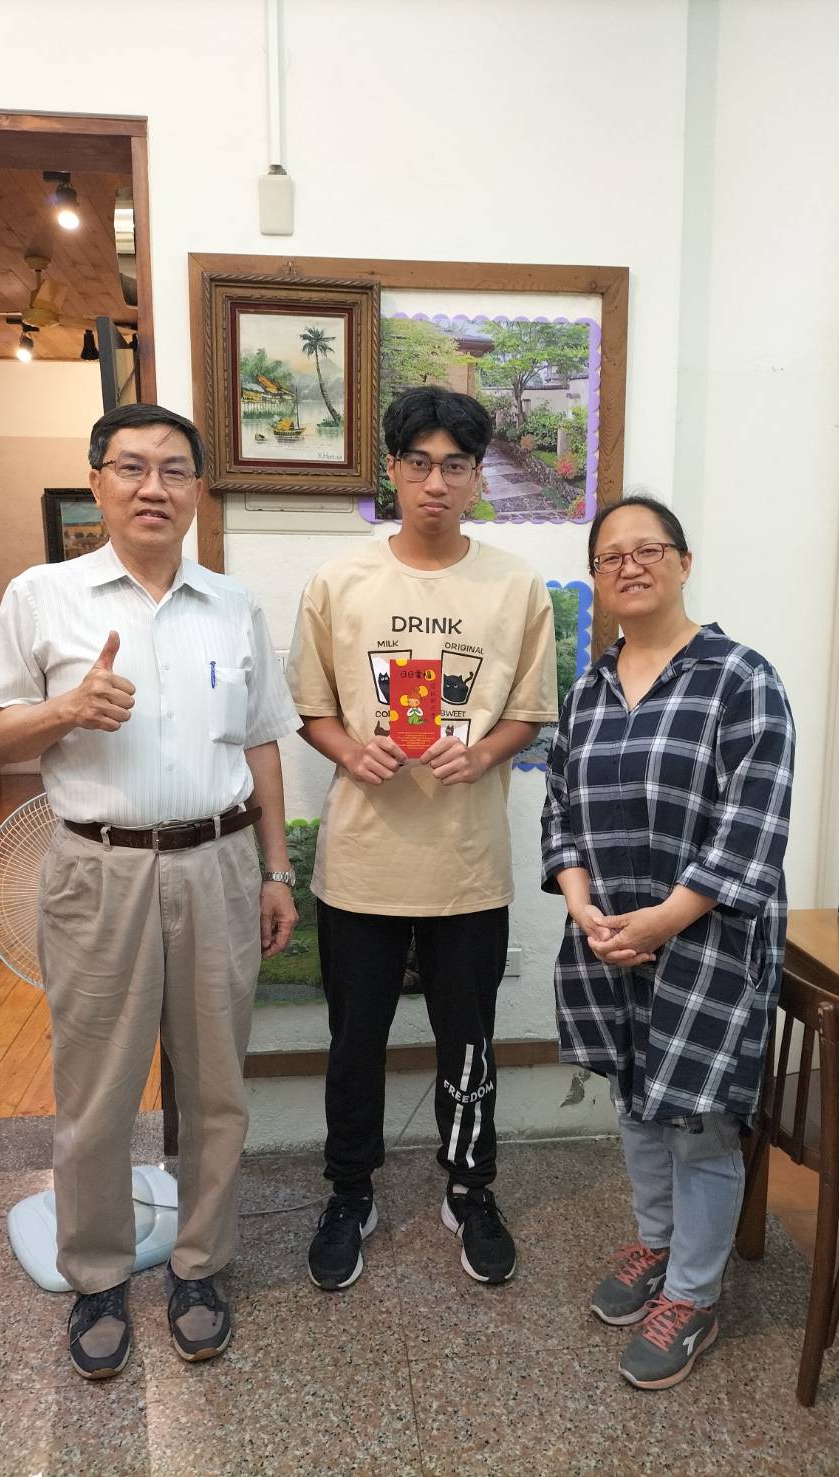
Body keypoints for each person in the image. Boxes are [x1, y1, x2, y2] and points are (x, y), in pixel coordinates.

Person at [0, 403, 301, 1379]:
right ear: (98, 482)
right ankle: (99, 1275)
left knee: (215, 1087)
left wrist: (277, 869)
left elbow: (261, 741)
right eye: (131, 467)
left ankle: (200, 1266)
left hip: (220, 863)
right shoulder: (43, 595)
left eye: (173, 470)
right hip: (96, 867)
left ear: (197, 489)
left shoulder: (233, 604)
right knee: (96, 1092)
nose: (153, 487)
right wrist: (68, 709)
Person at [287, 386, 558, 1291]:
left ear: (478, 477)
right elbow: (312, 707)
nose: (435, 482)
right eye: (418, 463)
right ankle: (349, 1191)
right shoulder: (339, 581)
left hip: (466, 868)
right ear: (393, 472)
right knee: (353, 1041)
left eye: (455, 465)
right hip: (361, 864)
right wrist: (347, 749)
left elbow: (529, 713)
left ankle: (470, 1187)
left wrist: (482, 753)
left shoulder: (515, 585)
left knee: (468, 1040)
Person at [541, 494, 795, 1390]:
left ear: (684, 563)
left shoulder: (740, 678)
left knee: (697, 1119)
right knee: (635, 1099)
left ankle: (694, 1292)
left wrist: (663, 918)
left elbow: (751, 827)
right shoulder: (587, 691)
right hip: (611, 937)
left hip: (706, 942)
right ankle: (656, 1243)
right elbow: (561, 813)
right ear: (598, 579)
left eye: (648, 549)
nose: (630, 565)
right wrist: (585, 909)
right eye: (611, 556)